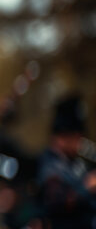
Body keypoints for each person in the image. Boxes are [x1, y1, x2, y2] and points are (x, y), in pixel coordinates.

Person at [36, 93, 96, 228]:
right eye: (76, 137)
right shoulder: (49, 166)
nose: (80, 142)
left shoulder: (75, 162)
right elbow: (58, 201)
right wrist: (87, 187)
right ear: (62, 137)